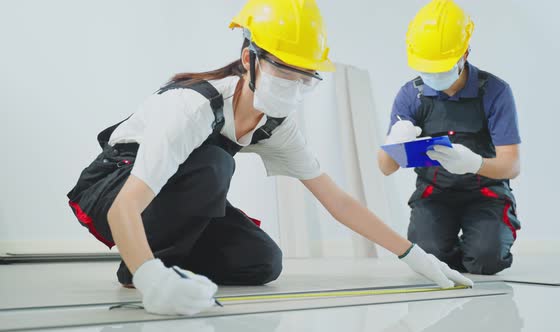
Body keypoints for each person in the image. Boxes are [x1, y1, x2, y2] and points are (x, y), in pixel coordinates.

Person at [67, 0, 472, 316]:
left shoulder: (276, 125)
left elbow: (339, 202)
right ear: (249, 60)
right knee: (215, 165)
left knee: (262, 262)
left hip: (168, 197)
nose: (294, 86)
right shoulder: (193, 107)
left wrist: (414, 256)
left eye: (306, 77)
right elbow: (126, 207)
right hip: (114, 187)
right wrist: (151, 278)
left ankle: (157, 260)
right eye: (284, 71)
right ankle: (142, 266)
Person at [378, 0, 521, 276]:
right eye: (425, 66)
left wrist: (474, 163)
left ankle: (478, 245)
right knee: (430, 263)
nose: (433, 74)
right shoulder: (411, 95)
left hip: (486, 193)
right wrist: (395, 142)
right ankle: (449, 248)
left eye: (441, 65)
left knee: (486, 261)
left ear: (464, 53)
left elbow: (511, 166)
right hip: (435, 194)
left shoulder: (495, 91)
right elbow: (385, 168)